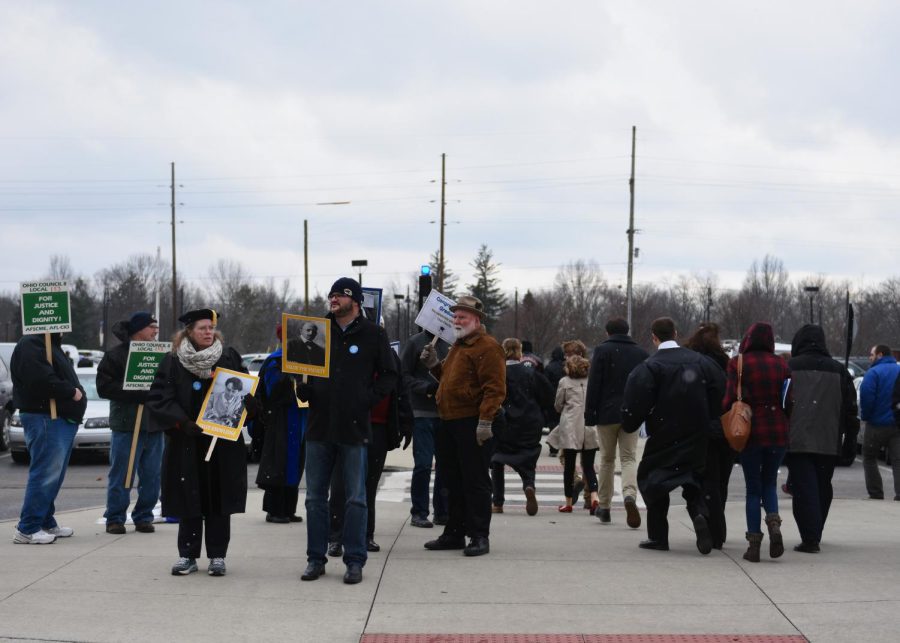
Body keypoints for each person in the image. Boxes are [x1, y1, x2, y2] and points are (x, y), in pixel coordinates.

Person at [297, 277, 398, 585]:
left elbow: (390, 375)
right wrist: (304, 389)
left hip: (354, 429)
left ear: (354, 301)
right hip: (319, 427)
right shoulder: (315, 331)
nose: (333, 299)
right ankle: (316, 558)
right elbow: (303, 370)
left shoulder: (373, 334)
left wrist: (366, 399)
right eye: (331, 295)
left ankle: (355, 560)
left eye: (339, 295)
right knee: (315, 498)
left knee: (356, 498)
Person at [146, 308, 256, 577]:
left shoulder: (228, 356)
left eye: (210, 328)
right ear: (189, 332)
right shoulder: (173, 361)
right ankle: (188, 555)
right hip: (187, 441)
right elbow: (160, 398)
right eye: (202, 328)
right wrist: (182, 423)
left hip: (222, 443)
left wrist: (251, 403)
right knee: (189, 497)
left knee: (218, 499)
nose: (208, 332)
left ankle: (218, 555)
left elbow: (244, 389)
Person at [621, 317, 724, 554]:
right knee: (693, 478)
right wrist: (709, 415)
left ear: (654, 337)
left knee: (653, 480)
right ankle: (698, 512)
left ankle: (658, 536)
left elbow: (636, 399)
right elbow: (719, 389)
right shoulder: (701, 362)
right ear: (675, 333)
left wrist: (631, 421)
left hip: (664, 432)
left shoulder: (650, 366)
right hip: (698, 432)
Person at [419, 295, 506, 557]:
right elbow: (447, 379)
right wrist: (434, 364)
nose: (457, 320)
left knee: (476, 481)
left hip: (472, 422)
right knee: (452, 480)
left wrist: (485, 421)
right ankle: (454, 533)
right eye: (455, 316)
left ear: (477, 320)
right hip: (449, 421)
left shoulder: (488, 347)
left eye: (463, 316)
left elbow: (495, 388)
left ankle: (479, 535)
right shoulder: (458, 346)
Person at [328, 344, 413, 553]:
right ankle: (336, 537)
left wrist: (405, 421)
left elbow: (400, 389)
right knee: (340, 484)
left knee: (368, 485)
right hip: (347, 426)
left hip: (378, 427)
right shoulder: (344, 348)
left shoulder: (389, 355)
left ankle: (365, 534)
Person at [786, 324, 859, 553]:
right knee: (821, 485)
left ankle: (810, 535)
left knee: (803, 487)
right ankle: (815, 528)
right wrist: (850, 442)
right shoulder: (839, 371)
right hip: (829, 438)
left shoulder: (790, 368)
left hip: (796, 437)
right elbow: (850, 410)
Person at [722, 322, 790, 562]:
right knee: (770, 482)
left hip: (750, 429)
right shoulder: (781, 364)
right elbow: (789, 399)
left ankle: (753, 545)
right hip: (778, 429)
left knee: (753, 489)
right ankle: (774, 522)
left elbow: (730, 398)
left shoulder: (738, 363)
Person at [11, 332, 87, 544]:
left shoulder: (49, 344)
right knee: (45, 473)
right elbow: (39, 378)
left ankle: (44, 520)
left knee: (54, 474)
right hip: (44, 417)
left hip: (59, 418)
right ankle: (28, 528)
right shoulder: (31, 343)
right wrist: (70, 391)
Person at [96, 312, 164, 535]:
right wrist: (135, 392)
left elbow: (168, 384)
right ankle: (115, 518)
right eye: (151, 327)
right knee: (122, 474)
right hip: (126, 424)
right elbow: (104, 387)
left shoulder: (161, 355)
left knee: (152, 475)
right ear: (138, 330)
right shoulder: (115, 356)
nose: (155, 331)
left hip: (153, 425)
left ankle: (144, 516)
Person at [584, 317, 648, 527]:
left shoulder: (602, 351)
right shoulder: (640, 353)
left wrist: (590, 411)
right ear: (627, 330)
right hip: (631, 411)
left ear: (607, 332)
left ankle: (604, 506)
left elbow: (594, 383)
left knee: (607, 460)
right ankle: (629, 494)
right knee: (629, 457)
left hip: (607, 411)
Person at [683, 322, 734, 550]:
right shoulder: (727, 365)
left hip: (696, 429)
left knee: (696, 480)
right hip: (724, 429)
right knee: (719, 482)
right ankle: (717, 532)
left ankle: (700, 512)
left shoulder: (689, 364)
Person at [490, 338, 554, 516]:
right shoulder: (531, 373)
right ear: (520, 352)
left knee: (497, 460)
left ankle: (497, 501)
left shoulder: (499, 374)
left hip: (507, 423)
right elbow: (548, 397)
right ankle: (528, 485)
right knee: (528, 459)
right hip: (530, 423)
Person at [253, 323, 307, 524]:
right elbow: (272, 391)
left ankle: (288, 508)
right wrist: (290, 377)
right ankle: (274, 509)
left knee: (295, 463)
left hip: (299, 416)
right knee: (278, 463)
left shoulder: (306, 359)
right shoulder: (275, 361)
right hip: (279, 418)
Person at [400, 329, 449, 528]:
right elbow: (402, 375)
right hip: (421, 412)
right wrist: (424, 388)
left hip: (446, 413)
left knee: (445, 466)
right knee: (423, 464)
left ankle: (442, 511)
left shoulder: (452, 343)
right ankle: (419, 511)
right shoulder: (415, 342)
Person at [547, 354, 599, 513]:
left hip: (570, 426)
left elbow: (557, 404)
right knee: (589, 466)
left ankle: (568, 502)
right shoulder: (592, 382)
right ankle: (595, 497)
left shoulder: (564, 382)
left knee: (569, 467)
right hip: (589, 426)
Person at [859, 344, 900, 500]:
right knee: (898, 460)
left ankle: (876, 492)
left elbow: (867, 397)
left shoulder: (873, 372)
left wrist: (866, 416)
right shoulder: (898, 370)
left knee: (869, 457)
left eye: (872, 354)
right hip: (897, 424)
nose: (870, 357)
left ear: (880, 355)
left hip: (876, 424)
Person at [543, 346, 566, 456]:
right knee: (564, 423)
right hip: (565, 398)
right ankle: (564, 446)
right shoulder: (565, 367)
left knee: (553, 423)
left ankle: (553, 448)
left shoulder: (549, 367)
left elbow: (545, 383)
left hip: (551, 398)